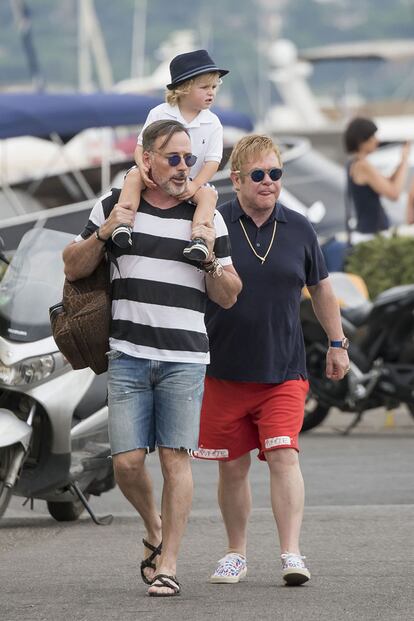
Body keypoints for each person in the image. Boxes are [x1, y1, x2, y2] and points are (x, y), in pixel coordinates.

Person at [62, 119, 242, 598]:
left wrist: (208, 263)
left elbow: (229, 294)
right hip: (128, 355)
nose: (184, 168)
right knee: (125, 463)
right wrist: (105, 232)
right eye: (173, 158)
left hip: (185, 357)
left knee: (174, 459)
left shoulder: (208, 218)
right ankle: (154, 527)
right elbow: (74, 265)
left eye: (189, 158)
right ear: (147, 160)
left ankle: (170, 564)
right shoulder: (115, 202)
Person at [194, 134, 350, 587]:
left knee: (284, 455)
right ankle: (235, 553)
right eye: (259, 175)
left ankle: (291, 553)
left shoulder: (300, 227)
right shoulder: (215, 222)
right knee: (233, 464)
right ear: (237, 178)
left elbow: (321, 288)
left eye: (276, 174)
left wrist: (338, 343)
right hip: (222, 369)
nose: (269, 183)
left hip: (283, 369)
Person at [112, 49, 229, 262]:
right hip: (157, 176)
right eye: (204, 87)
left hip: (189, 182)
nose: (211, 92)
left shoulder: (213, 123)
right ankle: (124, 224)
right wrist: (144, 168)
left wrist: (196, 185)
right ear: (184, 88)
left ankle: (199, 240)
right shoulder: (160, 113)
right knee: (133, 177)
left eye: (214, 87)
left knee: (208, 196)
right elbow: (141, 147)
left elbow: (213, 161)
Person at [344, 117, 410, 242]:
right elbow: (394, 194)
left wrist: (401, 162)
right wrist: (405, 160)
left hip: (367, 234)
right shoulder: (363, 166)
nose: (377, 140)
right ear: (362, 140)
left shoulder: (353, 163)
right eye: (373, 137)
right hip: (372, 237)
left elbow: (387, 182)